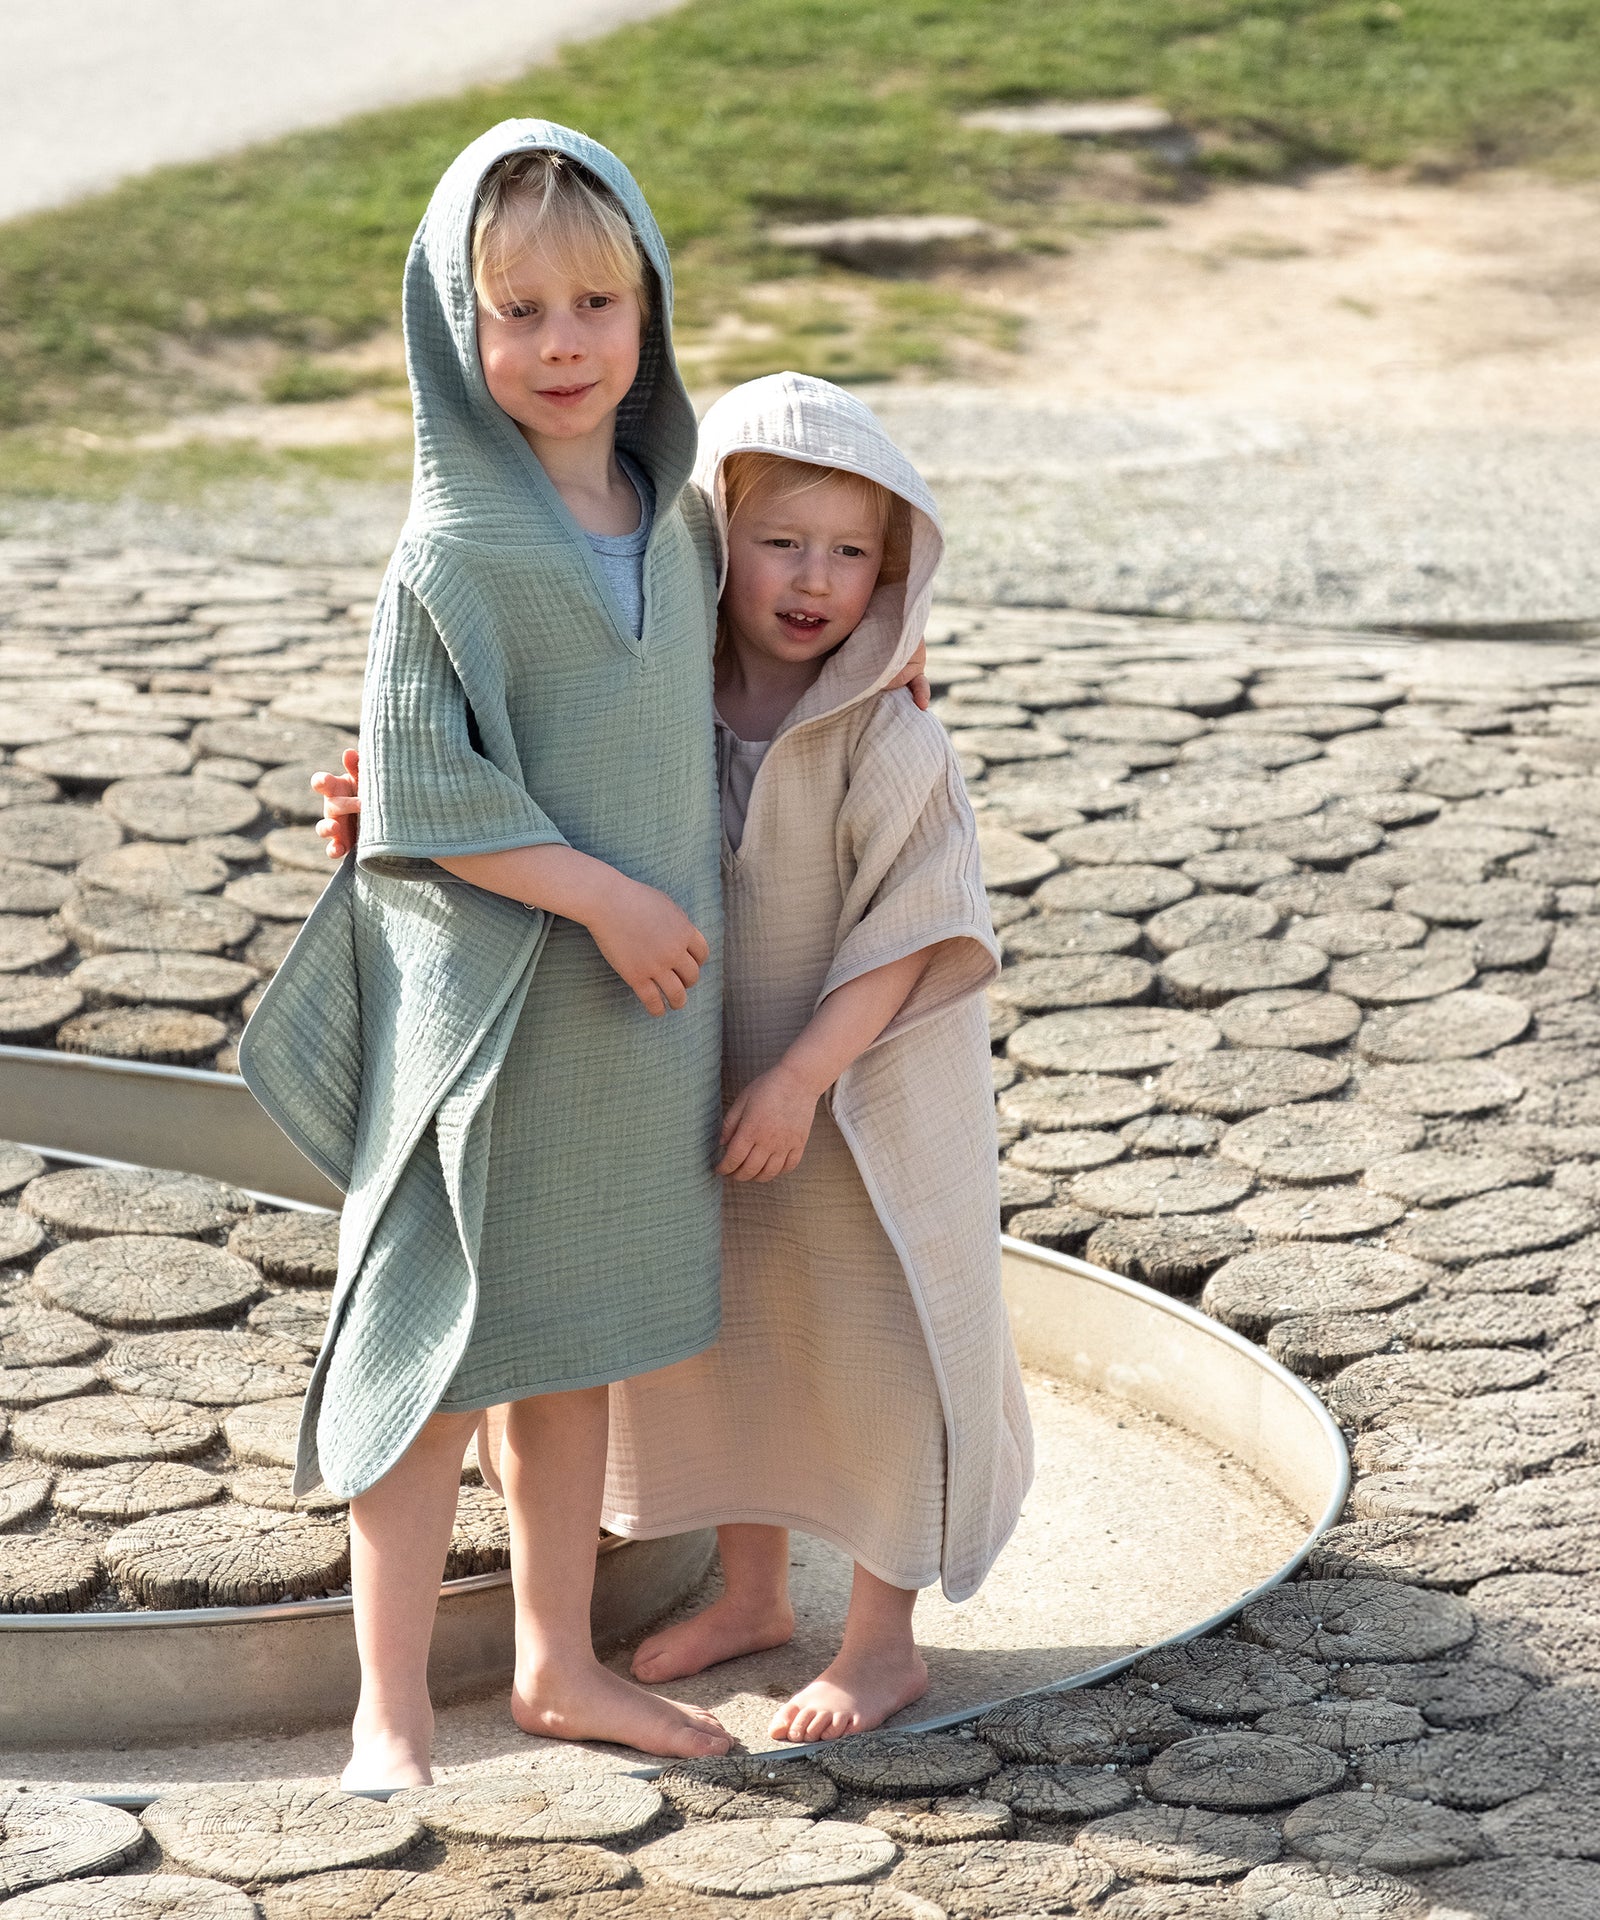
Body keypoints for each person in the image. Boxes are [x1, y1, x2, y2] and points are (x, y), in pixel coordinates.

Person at [318, 371, 1032, 1745]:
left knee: (877, 1344)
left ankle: (881, 1642)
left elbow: (915, 931)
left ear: (892, 571)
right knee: (739, 1336)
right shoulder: (664, 711)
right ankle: (755, 1595)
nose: (814, 580)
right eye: (781, 544)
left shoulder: (892, 739)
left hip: (853, 1095)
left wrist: (804, 1074)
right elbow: (534, 790)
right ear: (712, 544)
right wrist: (389, 795)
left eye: (851, 553)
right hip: (697, 1087)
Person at [241, 119, 738, 1787]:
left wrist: (890, 674)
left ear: (650, 307)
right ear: (455, 326)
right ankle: (386, 1703)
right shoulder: (452, 548)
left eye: (596, 302)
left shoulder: (678, 521)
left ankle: (556, 1662)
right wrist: (599, 893)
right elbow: (431, 786)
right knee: (436, 1344)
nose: (562, 344)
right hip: (496, 1010)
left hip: (630, 1022)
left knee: (565, 1342)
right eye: (514, 310)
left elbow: (730, 687)